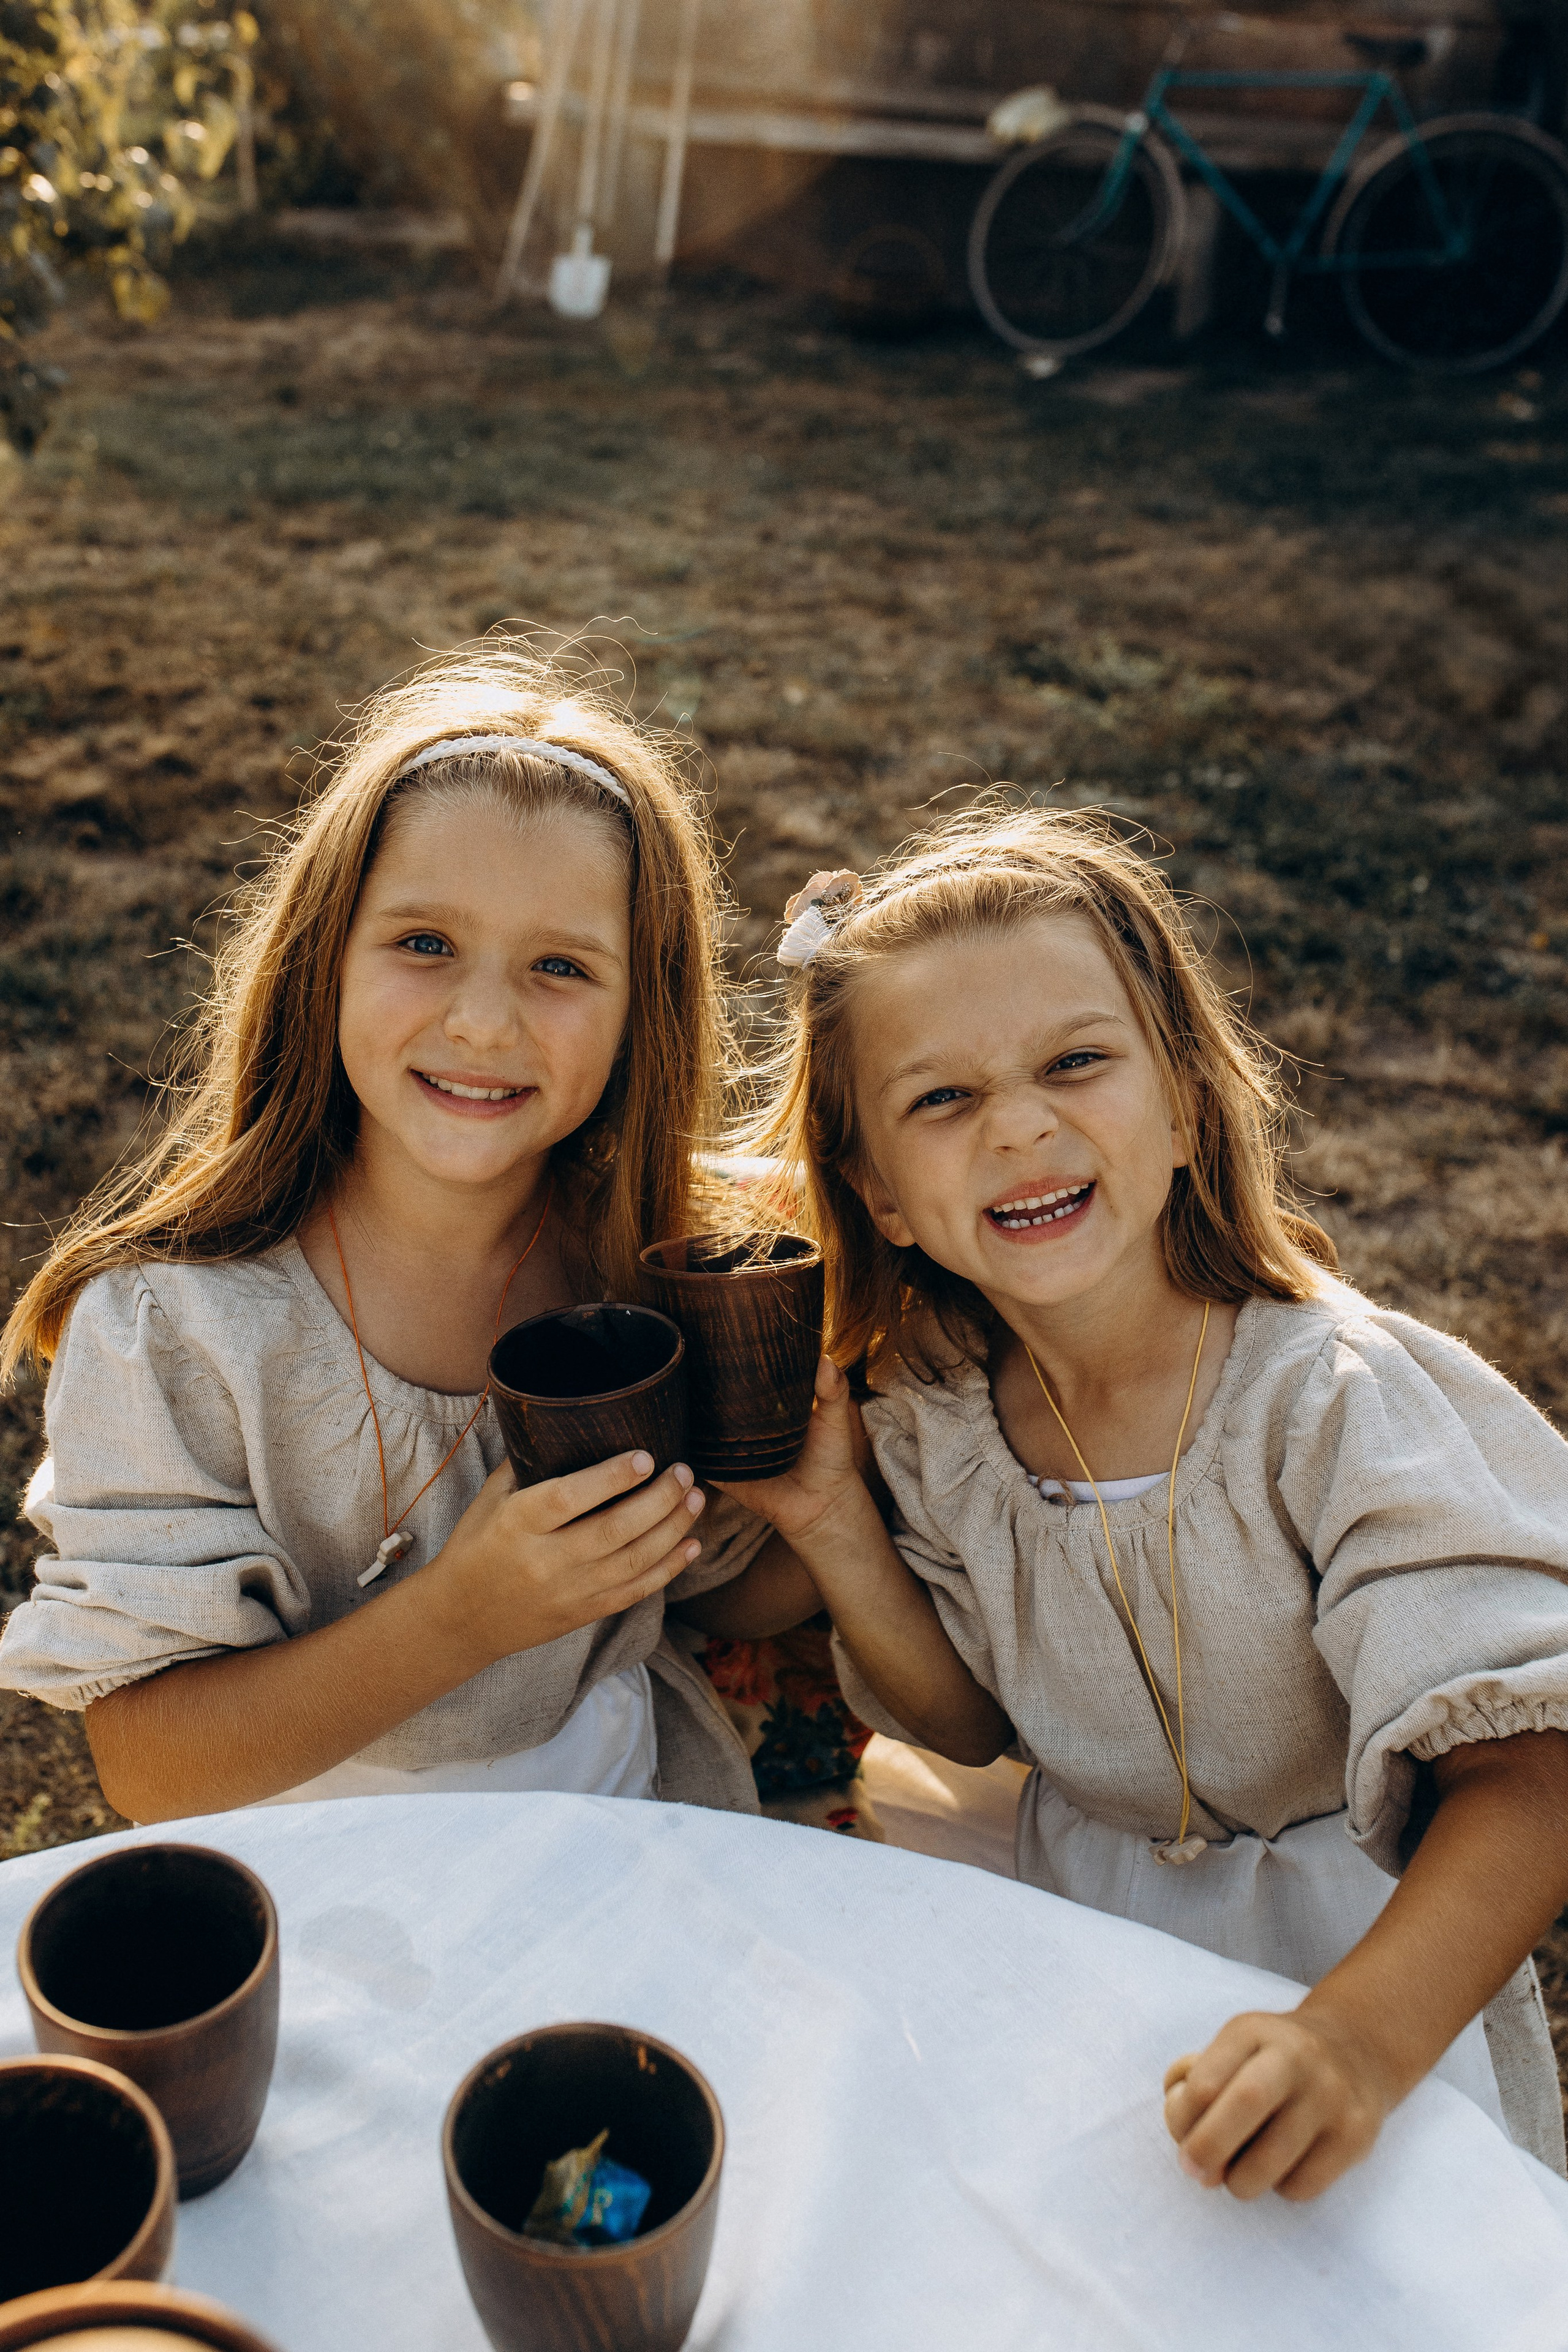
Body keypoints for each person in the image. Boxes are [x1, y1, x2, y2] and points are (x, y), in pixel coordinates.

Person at [708, 810, 1568, 2199]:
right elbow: (964, 1724)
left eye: (1073, 1064)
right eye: (941, 1100)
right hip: (1076, 1933)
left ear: (1179, 1103)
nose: (1020, 1127)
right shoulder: (933, 1420)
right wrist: (830, 1524)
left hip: (1358, 1961)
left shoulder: (1331, 1405)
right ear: (881, 1196)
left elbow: (1531, 1772)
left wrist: (1353, 2040)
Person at [0, 648, 788, 1819]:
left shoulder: (660, 1277)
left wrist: (795, 1490)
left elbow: (724, 1600)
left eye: (561, 967)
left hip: (627, 1843)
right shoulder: (177, 1330)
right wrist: (462, 1618)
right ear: (324, 959)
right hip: (331, 1899)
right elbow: (154, 1767)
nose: (482, 1020)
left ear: (643, 1014)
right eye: (425, 944)